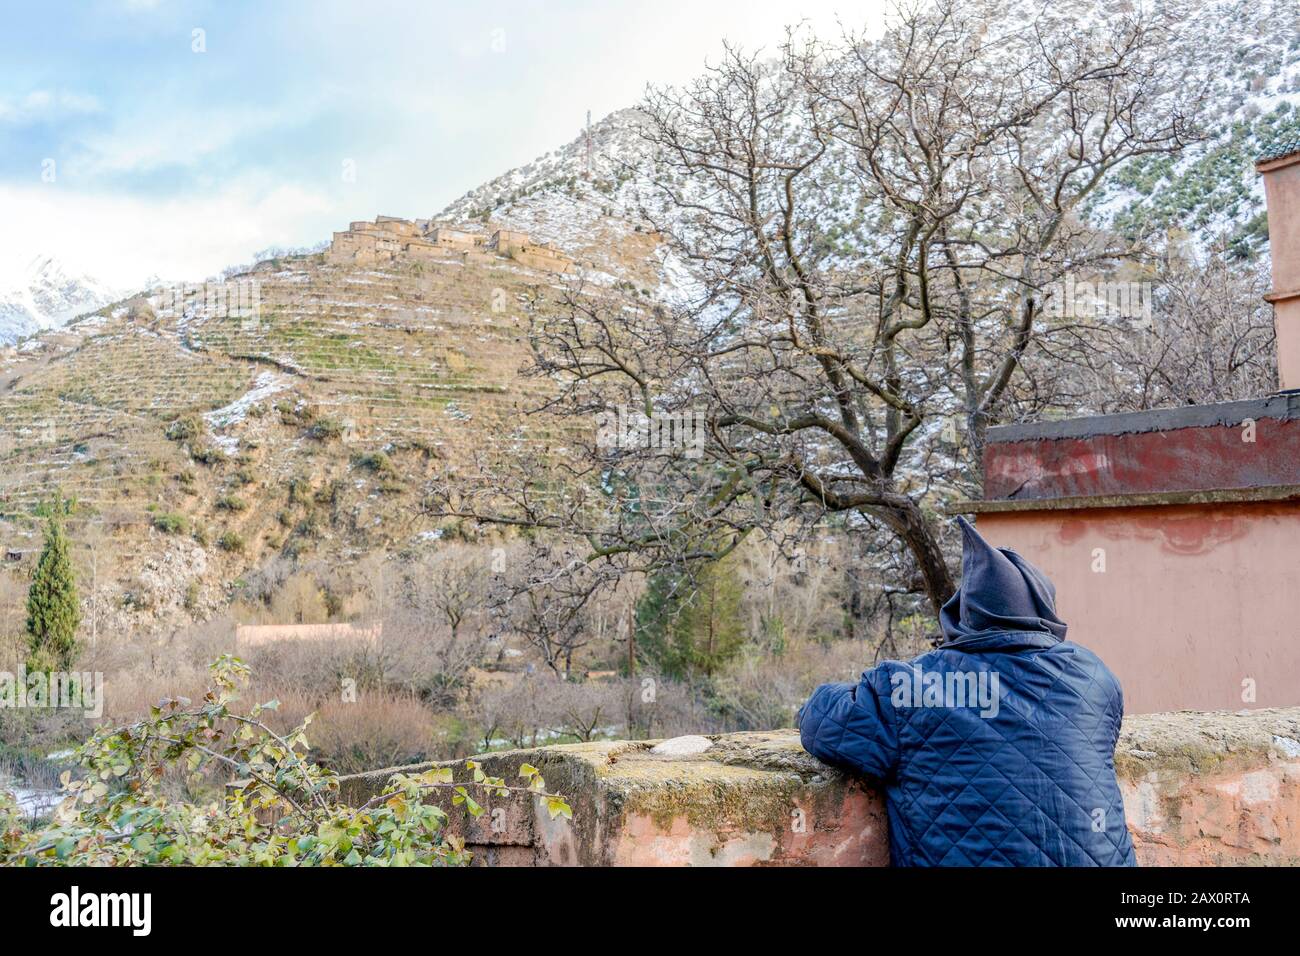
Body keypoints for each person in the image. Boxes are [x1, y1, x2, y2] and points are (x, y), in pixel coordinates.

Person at [799, 517, 1136, 866]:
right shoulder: (1095, 678)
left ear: (964, 615)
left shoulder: (914, 686)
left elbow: (822, 720)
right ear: (1043, 607)